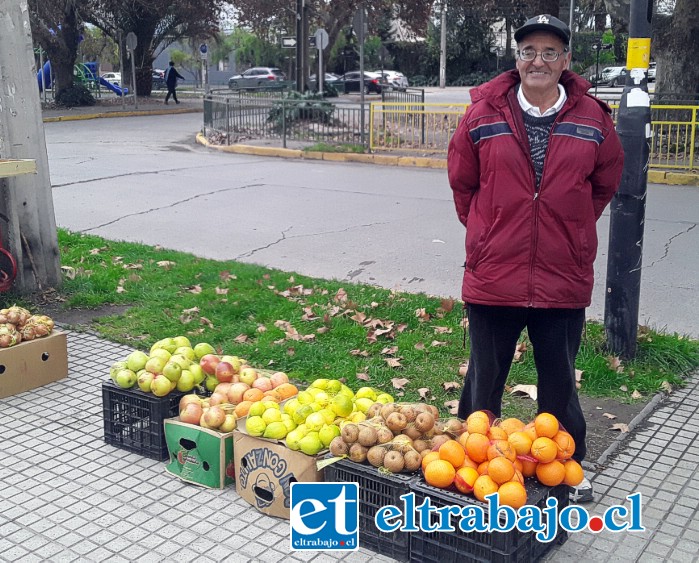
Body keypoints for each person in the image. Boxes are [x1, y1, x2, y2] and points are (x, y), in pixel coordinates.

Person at [447, 14, 624, 503]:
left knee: (559, 381)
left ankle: (567, 465)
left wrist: (566, 227)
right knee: (484, 378)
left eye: (550, 52)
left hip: (561, 275)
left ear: (566, 60)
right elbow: (463, 183)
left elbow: (604, 183)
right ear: (517, 58)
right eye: (529, 51)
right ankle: (467, 463)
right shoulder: (483, 114)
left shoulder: (593, 117)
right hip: (494, 274)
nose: (538, 61)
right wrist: (490, 229)